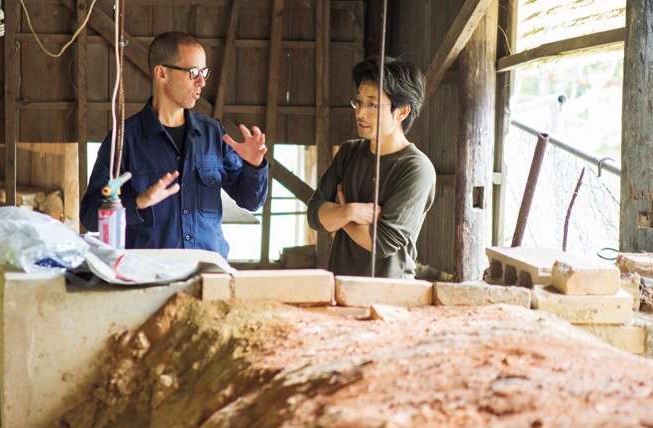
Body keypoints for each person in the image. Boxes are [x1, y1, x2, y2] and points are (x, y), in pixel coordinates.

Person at [80, 32, 269, 259]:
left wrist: (254, 166)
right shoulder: (124, 140)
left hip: (207, 272)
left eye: (204, 72)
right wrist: (137, 203)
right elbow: (90, 216)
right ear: (162, 73)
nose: (202, 82)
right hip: (147, 276)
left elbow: (251, 201)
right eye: (193, 73)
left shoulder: (213, 134)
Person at [306, 56, 435, 278]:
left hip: (390, 294)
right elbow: (315, 216)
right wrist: (350, 211)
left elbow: (382, 243)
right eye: (359, 102)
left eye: (373, 104)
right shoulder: (349, 152)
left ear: (402, 112)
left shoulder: (416, 169)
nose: (360, 113)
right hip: (340, 287)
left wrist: (340, 217)